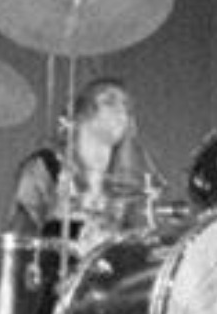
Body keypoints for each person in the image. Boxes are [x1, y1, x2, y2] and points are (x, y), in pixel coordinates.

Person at [8, 77, 153, 254]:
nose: (122, 111)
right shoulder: (46, 166)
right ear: (82, 112)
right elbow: (22, 239)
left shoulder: (127, 183)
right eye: (110, 102)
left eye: (126, 105)